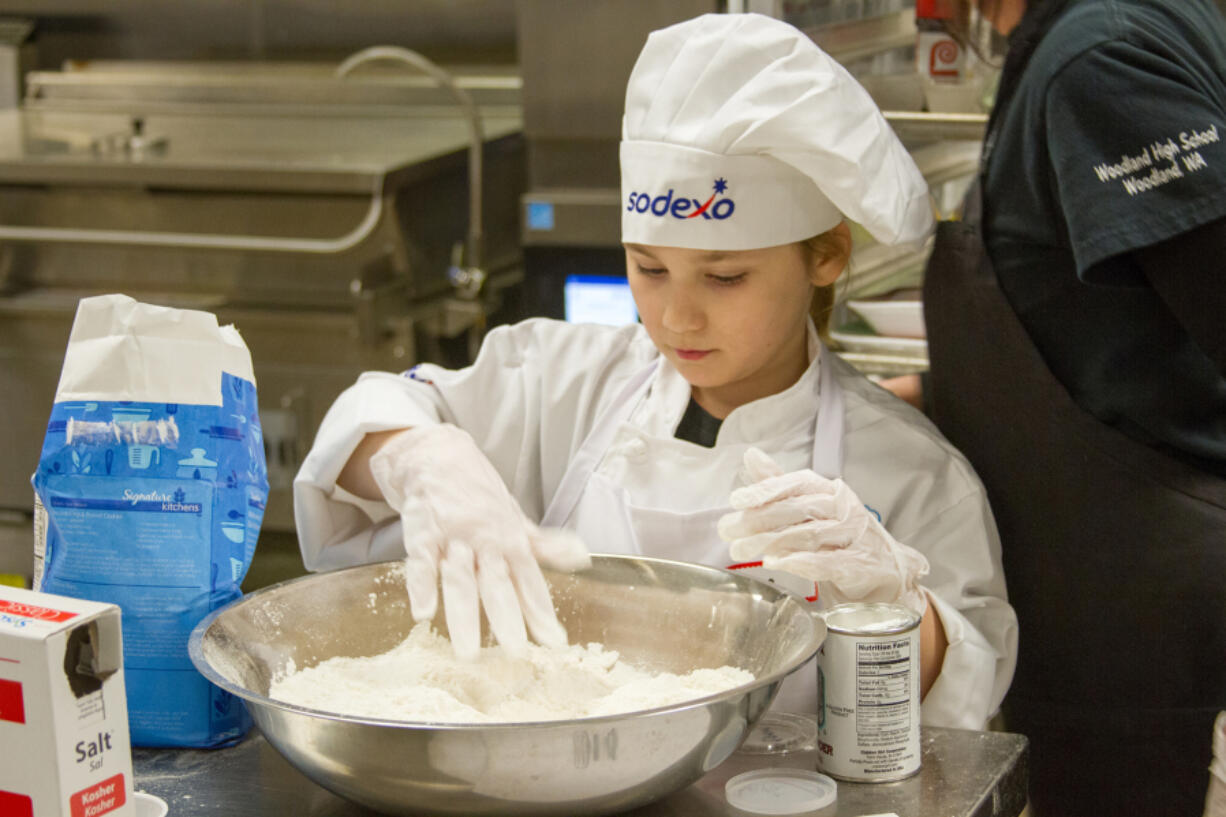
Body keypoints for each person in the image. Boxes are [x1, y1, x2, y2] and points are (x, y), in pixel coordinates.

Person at [294, 13, 1017, 727]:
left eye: (725, 277)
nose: (675, 318)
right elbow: (369, 421)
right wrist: (424, 460)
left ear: (825, 256)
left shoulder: (914, 474)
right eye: (648, 267)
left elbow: (967, 697)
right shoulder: (567, 380)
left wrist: (891, 600)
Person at [917, 0, 1226, 813]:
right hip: (1100, 605)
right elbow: (1113, 327)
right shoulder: (1086, 40)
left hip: (1141, 632)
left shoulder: (1099, 59)